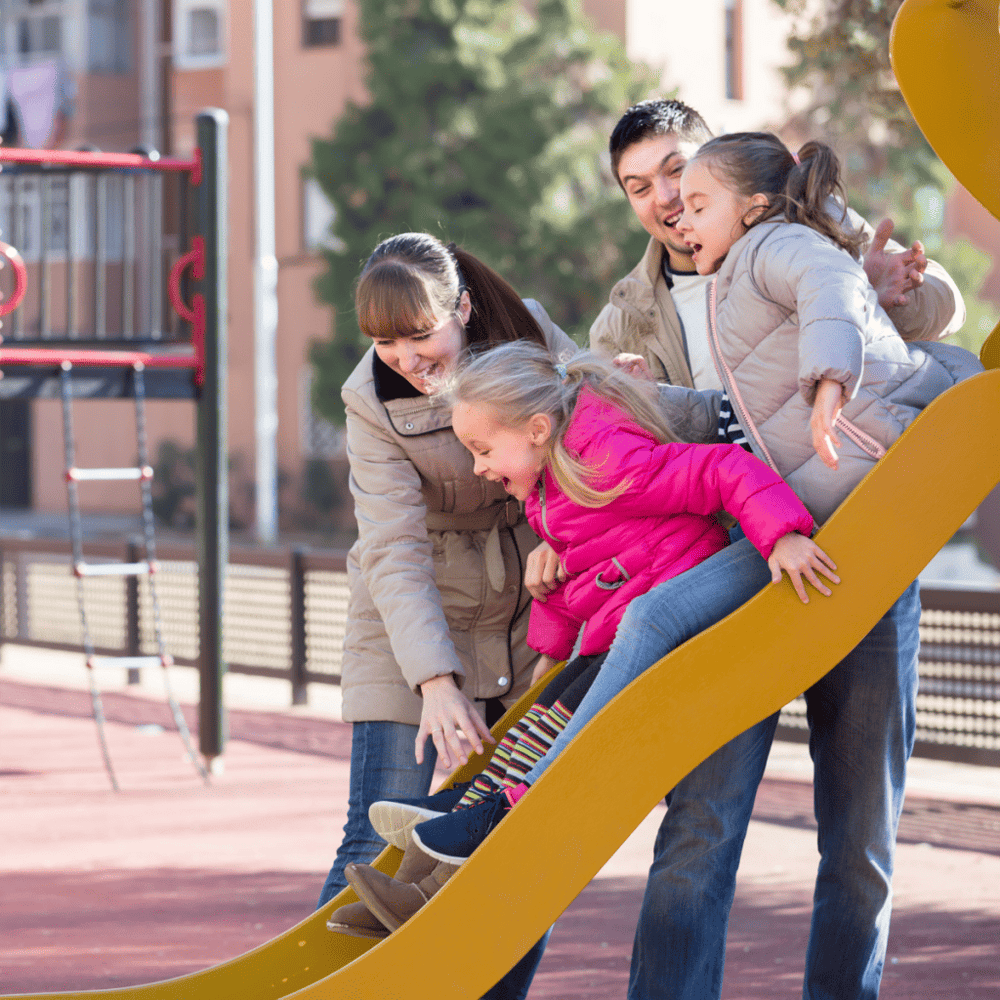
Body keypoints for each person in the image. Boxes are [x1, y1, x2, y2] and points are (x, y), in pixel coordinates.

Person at [336, 340, 834, 929]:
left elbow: (721, 469)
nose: (477, 467)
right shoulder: (553, 488)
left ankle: (511, 805)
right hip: (617, 625)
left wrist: (782, 535)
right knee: (544, 708)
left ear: (538, 429)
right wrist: (549, 649)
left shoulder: (607, 459)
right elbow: (585, 576)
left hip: (678, 612)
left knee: (563, 716)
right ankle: (437, 869)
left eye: (483, 449)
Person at [318, 232, 577, 1000]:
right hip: (412, 609)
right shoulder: (371, 399)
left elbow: (586, 437)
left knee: (517, 834)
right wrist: (434, 679)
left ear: (462, 308)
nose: (405, 354)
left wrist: (559, 535)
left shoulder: (526, 335)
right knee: (376, 829)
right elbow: (393, 546)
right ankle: (328, 985)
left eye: (420, 331)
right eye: (385, 339)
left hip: (529, 596)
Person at [588, 98, 965, 394]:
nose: (668, 196)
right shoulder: (619, 326)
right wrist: (657, 404)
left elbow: (950, 307)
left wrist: (866, 295)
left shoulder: (805, 221)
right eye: (640, 188)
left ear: (714, 156)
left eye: (677, 169)